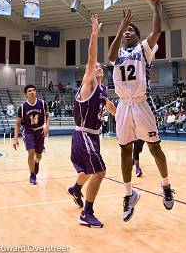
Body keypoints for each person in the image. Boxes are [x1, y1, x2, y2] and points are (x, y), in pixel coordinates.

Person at [108, 0, 174, 222]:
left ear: (137, 36)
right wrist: (119, 29)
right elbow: (109, 56)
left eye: (130, 31)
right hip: (123, 106)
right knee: (125, 151)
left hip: (141, 104)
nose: (127, 33)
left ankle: (166, 185)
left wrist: (155, 5)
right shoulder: (117, 53)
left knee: (155, 148)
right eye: (124, 31)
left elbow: (156, 30)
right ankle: (128, 194)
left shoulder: (144, 49)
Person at [68, 14, 116, 228]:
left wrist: (127, 118)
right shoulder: (88, 84)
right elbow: (90, 59)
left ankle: (76, 190)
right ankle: (87, 213)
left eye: (100, 66)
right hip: (84, 133)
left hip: (94, 136)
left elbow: (113, 109)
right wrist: (94, 35)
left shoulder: (103, 91)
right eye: (94, 66)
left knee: (87, 172)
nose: (98, 67)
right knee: (100, 171)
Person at [13, 85, 50, 184]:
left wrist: (47, 127)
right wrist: (15, 139)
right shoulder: (22, 107)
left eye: (34, 90)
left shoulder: (42, 103)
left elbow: (47, 116)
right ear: (26, 94)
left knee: (39, 154)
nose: (32, 92)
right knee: (31, 152)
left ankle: (36, 162)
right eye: (30, 91)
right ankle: (32, 174)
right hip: (28, 131)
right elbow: (17, 124)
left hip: (40, 131)